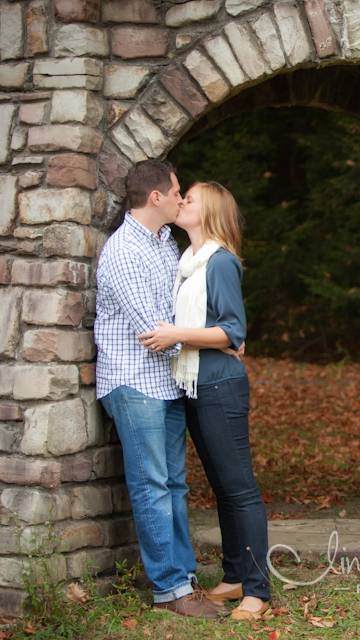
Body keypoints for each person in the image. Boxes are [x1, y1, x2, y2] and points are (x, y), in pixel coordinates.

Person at [94, 160, 224, 618]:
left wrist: (205, 339)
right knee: (151, 485)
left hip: (166, 385)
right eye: (175, 192)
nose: (180, 199)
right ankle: (170, 590)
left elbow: (179, 320)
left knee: (174, 484)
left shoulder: (166, 244)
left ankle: (185, 579)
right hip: (133, 384)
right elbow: (153, 332)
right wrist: (210, 349)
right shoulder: (123, 251)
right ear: (156, 198)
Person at [137, 181, 271, 620]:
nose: (181, 202)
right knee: (223, 489)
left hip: (219, 388)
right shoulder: (188, 263)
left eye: (189, 199)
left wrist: (177, 334)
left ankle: (257, 589)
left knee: (241, 490)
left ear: (209, 211)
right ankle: (234, 577)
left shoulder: (220, 263)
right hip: (194, 385)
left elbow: (233, 332)